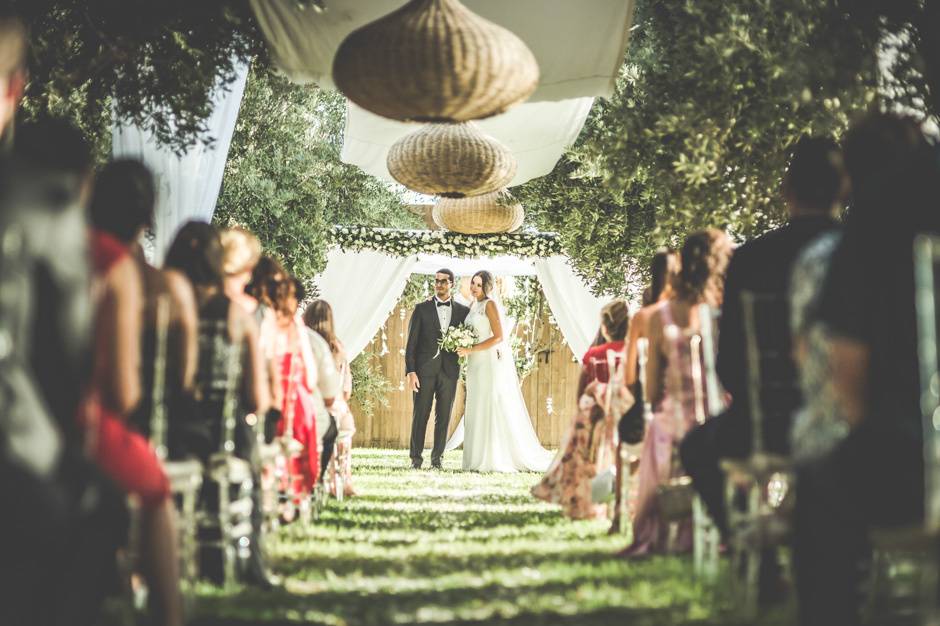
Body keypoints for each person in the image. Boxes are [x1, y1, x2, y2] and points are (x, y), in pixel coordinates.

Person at [794, 114, 939, 626]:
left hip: (905, 468)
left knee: (819, 490)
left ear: (852, 179)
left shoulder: (866, 233)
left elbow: (847, 378)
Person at [679, 137, 845, 539]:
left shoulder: (751, 260)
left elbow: (730, 365)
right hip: (850, 421)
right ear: (845, 188)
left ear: (787, 189)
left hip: (768, 426)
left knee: (696, 448)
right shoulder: (860, 251)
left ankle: (755, 555)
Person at [622, 229, 732, 557]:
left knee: (660, 427)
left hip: (674, 423)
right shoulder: (726, 313)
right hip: (720, 421)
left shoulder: (659, 317)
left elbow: (653, 390)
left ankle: (664, 527)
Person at [89, 159, 198, 444]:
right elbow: (126, 395)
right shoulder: (148, 280)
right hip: (113, 426)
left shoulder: (62, 252)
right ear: (146, 216)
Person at [532, 300, 631, 518]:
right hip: (626, 420)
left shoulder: (593, 355)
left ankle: (584, 499)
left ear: (604, 327)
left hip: (594, 422)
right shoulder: (632, 353)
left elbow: (581, 394)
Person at [455, 270, 554, 472]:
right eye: (473, 283)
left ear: (488, 287)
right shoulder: (474, 306)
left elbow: (499, 337)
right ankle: (475, 457)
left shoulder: (490, 305)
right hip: (474, 364)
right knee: (476, 404)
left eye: (479, 285)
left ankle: (492, 457)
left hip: (487, 362)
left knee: (488, 403)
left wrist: (471, 349)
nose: (474, 288)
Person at [405, 268, 470, 469]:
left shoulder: (463, 311)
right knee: (420, 416)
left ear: (452, 283)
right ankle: (415, 459)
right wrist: (411, 371)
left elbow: (469, 340)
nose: (439, 284)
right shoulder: (421, 309)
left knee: (444, 418)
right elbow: (411, 344)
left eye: (443, 281)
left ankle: (437, 459)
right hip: (424, 372)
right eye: (437, 281)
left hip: (449, 372)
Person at [304, 299, 355, 497]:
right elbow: (344, 391)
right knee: (344, 423)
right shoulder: (338, 348)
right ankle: (342, 479)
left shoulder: (301, 343)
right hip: (330, 407)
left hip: (305, 406)